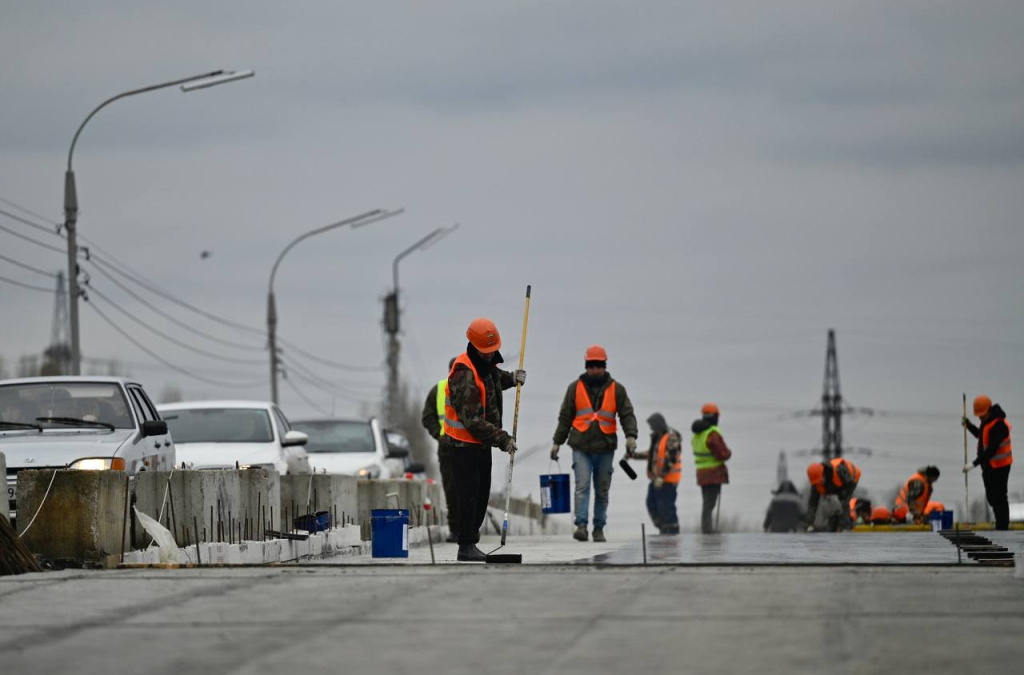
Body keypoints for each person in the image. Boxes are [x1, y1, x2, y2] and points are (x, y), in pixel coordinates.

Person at [444, 318, 526, 562]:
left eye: (493, 351)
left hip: (480, 446)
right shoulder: (464, 372)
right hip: (463, 446)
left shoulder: (485, 364)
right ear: (474, 346)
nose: (491, 355)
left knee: (481, 496)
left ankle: (471, 541)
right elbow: (473, 421)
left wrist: (512, 378)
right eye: (487, 351)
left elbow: (494, 378)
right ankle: (466, 546)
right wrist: (503, 439)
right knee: (469, 496)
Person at [549, 345, 638, 543]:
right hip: (581, 447)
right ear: (586, 365)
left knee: (602, 490)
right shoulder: (575, 388)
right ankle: (581, 526)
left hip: (605, 448)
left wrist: (631, 436)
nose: (595, 369)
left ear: (604, 366)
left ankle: (599, 528)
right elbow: (565, 417)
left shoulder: (617, 389)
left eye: (599, 365)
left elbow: (627, 414)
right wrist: (557, 442)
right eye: (591, 365)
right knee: (582, 486)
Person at [421, 358, 460, 543]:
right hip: (447, 449)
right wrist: (439, 435)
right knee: (452, 489)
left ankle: (469, 528)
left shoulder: (473, 388)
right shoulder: (438, 390)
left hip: (469, 448)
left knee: (470, 490)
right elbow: (427, 417)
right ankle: (456, 529)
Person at [963, 395, 1013, 530]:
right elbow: (981, 435)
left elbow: (991, 449)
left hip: (1001, 466)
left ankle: (1002, 527)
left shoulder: (999, 425)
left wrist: (974, 463)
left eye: (982, 415)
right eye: (978, 416)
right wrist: (969, 426)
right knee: (992, 498)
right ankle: (1001, 523)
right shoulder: (987, 421)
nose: (980, 417)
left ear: (989, 410)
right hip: (989, 466)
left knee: (999, 498)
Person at [631, 412, 681, 534]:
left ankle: (672, 532)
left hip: (668, 480)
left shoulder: (671, 437)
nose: (651, 428)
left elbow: (672, 458)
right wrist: (634, 455)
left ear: (658, 424)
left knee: (666, 508)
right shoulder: (659, 437)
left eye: (652, 425)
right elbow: (653, 454)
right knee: (652, 504)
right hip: (657, 479)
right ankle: (663, 528)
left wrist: (662, 477)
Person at [691, 403, 732, 534]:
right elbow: (722, 453)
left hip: (702, 473)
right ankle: (707, 529)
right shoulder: (711, 433)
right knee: (710, 503)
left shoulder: (698, 434)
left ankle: (706, 527)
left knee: (706, 501)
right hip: (713, 473)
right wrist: (728, 453)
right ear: (715, 417)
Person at [806, 457, 861, 531]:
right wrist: (809, 524)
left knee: (843, 502)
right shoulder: (816, 481)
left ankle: (845, 527)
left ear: (823, 474)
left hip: (850, 480)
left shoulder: (840, 470)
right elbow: (813, 503)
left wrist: (842, 495)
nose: (818, 484)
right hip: (834, 485)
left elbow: (850, 485)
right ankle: (833, 524)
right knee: (831, 505)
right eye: (816, 483)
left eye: (819, 481)